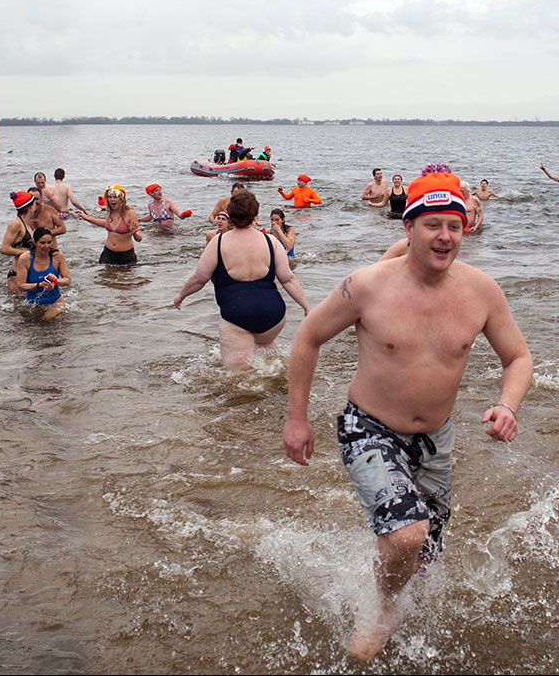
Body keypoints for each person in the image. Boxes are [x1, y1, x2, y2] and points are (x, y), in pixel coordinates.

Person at [281, 164, 532, 662]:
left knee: (423, 556)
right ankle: (381, 609)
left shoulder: (482, 291)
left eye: (454, 226)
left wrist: (507, 404)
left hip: (436, 441)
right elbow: (308, 336)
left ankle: (389, 587)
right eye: (432, 225)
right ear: (409, 227)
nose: (445, 236)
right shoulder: (367, 285)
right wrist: (296, 417)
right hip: (368, 428)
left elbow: (519, 358)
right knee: (406, 534)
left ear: (467, 228)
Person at [174, 189, 309, 369]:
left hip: (237, 314)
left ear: (231, 214)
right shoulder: (271, 241)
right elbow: (288, 279)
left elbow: (199, 279)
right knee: (267, 359)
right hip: (274, 315)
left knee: (239, 379)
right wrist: (306, 307)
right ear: (255, 214)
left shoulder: (218, 242)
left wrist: (181, 296)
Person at [15, 227, 71, 320]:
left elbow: (67, 280)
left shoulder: (57, 256)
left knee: (47, 319)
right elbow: (21, 285)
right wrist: (39, 285)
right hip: (33, 304)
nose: (46, 246)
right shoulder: (25, 259)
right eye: (42, 243)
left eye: (49, 242)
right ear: (35, 243)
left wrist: (56, 281)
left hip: (55, 302)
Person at [77, 185, 142, 265]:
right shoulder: (110, 210)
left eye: (115, 197)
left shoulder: (129, 213)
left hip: (126, 256)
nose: (112, 200)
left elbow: (139, 238)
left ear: (121, 199)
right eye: (109, 197)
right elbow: (106, 223)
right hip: (107, 254)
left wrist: (134, 233)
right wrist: (88, 219)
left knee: (126, 277)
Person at [1, 191, 40, 294]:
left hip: (27, 273)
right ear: (30, 206)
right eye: (34, 202)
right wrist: (25, 252)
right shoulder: (16, 224)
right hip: (17, 274)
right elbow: (4, 248)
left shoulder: (27, 225)